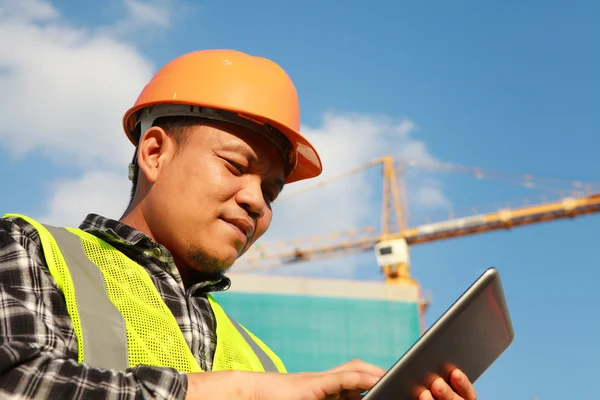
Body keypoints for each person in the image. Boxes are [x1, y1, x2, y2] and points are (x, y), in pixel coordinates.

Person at [0, 49, 478, 400]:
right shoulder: (30, 250)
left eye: (272, 192)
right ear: (154, 153)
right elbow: (17, 382)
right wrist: (241, 392)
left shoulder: (262, 359)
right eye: (234, 166)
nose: (256, 202)